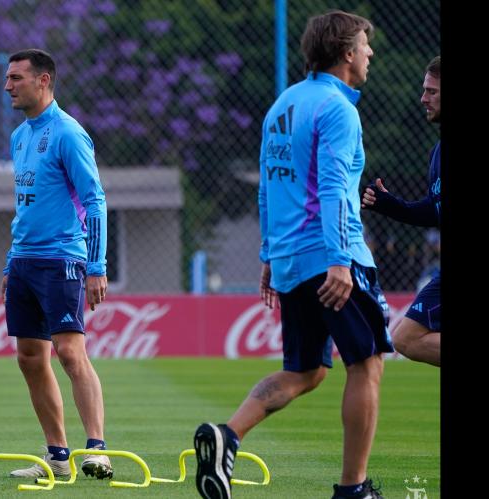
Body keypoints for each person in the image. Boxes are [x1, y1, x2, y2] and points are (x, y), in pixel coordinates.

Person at [194, 11, 389, 499]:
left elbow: (269, 189)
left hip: (289, 257)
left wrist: (269, 254)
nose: (369, 54)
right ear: (346, 53)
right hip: (330, 257)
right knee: (366, 365)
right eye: (364, 46)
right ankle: (353, 489)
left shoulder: (283, 104)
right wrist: (341, 258)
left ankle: (227, 436)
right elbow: (333, 189)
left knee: (308, 371)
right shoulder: (339, 109)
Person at [0, 49, 112, 480]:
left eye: (16, 77)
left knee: (69, 352)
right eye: (8, 78)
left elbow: (95, 200)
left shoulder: (68, 134)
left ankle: (97, 449)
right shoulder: (20, 137)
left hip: (63, 259)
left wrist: (96, 266)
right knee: (29, 357)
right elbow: (24, 206)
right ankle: (57, 458)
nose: (8, 85)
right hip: (25, 262)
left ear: (43, 80)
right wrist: (12, 262)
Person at [362, 56, 440, 367]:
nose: (423, 98)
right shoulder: (438, 152)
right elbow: (436, 211)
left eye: (432, 91)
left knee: (406, 337)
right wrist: (394, 207)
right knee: (406, 338)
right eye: (425, 90)